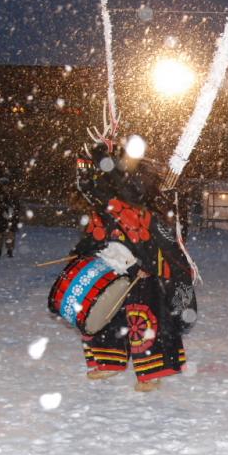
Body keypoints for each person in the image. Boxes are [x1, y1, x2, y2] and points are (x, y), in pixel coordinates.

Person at [61, 140, 197, 391]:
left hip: (143, 263)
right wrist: (82, 252)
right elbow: (97, 226)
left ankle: (151, 372)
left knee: (143, 316)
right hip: (113, 261)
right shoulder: (103, 196)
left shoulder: (137, 185)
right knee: (106, 310)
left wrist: (146, 263)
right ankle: (109, 361)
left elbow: (145, 222)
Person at [0, 178, 21, 257]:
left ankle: (9, 252)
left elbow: (17, 206)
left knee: (10, 235)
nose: (6, 187)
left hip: (10, 219)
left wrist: (12, 212)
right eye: (4, 185)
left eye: (7, 185)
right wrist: (1, 210)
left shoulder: (12, 195)